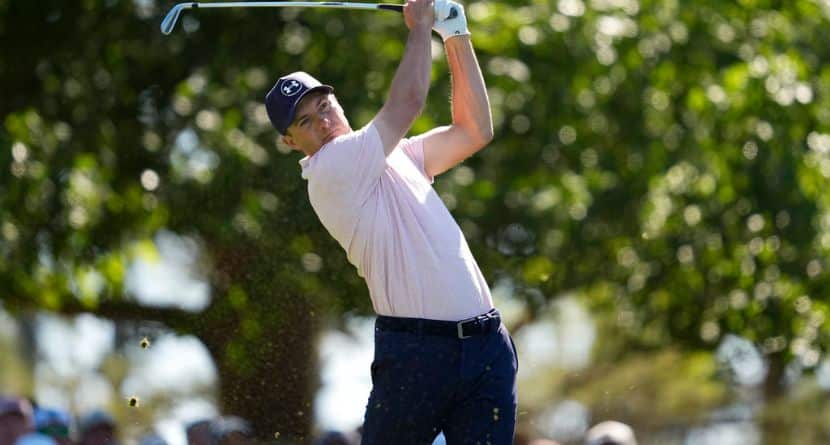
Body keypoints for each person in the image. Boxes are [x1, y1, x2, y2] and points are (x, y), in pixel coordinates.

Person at [263, 0, 518, 443]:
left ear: (336, 100)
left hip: (487, 346)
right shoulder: (330, 168)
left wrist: (455, 34)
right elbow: (408, 101)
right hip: (417, 355)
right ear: (290, 141)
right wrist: (420, 27)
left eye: (324, 106)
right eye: (306, 121)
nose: (323, 122)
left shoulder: (395, 155)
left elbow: (475, 130)